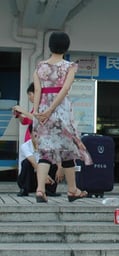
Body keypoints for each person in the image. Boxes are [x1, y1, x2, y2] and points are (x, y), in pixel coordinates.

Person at [32, 31, 92, 203]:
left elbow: (37, 90)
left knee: (45, 151)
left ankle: (40, 190)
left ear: (49, 46)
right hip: (61, 110)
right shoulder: (70, 66)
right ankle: (72, 189)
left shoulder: (40, 66)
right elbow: (64, 89)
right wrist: (51, 109)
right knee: (68, 150)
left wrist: (37, 111)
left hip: (43, 109)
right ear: (66, 47)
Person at [17, 125, 63, 197]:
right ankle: (24, 189)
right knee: (27, 162)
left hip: (44, 180)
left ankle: (49, 190)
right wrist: (45, 175)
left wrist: (60, 168)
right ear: (30, 134)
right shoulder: (25, 146)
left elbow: (57, 157)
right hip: (30, 179)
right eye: (35, 131)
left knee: (53, 164)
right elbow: (33, 162)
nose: (38, 134)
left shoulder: (48, 145)